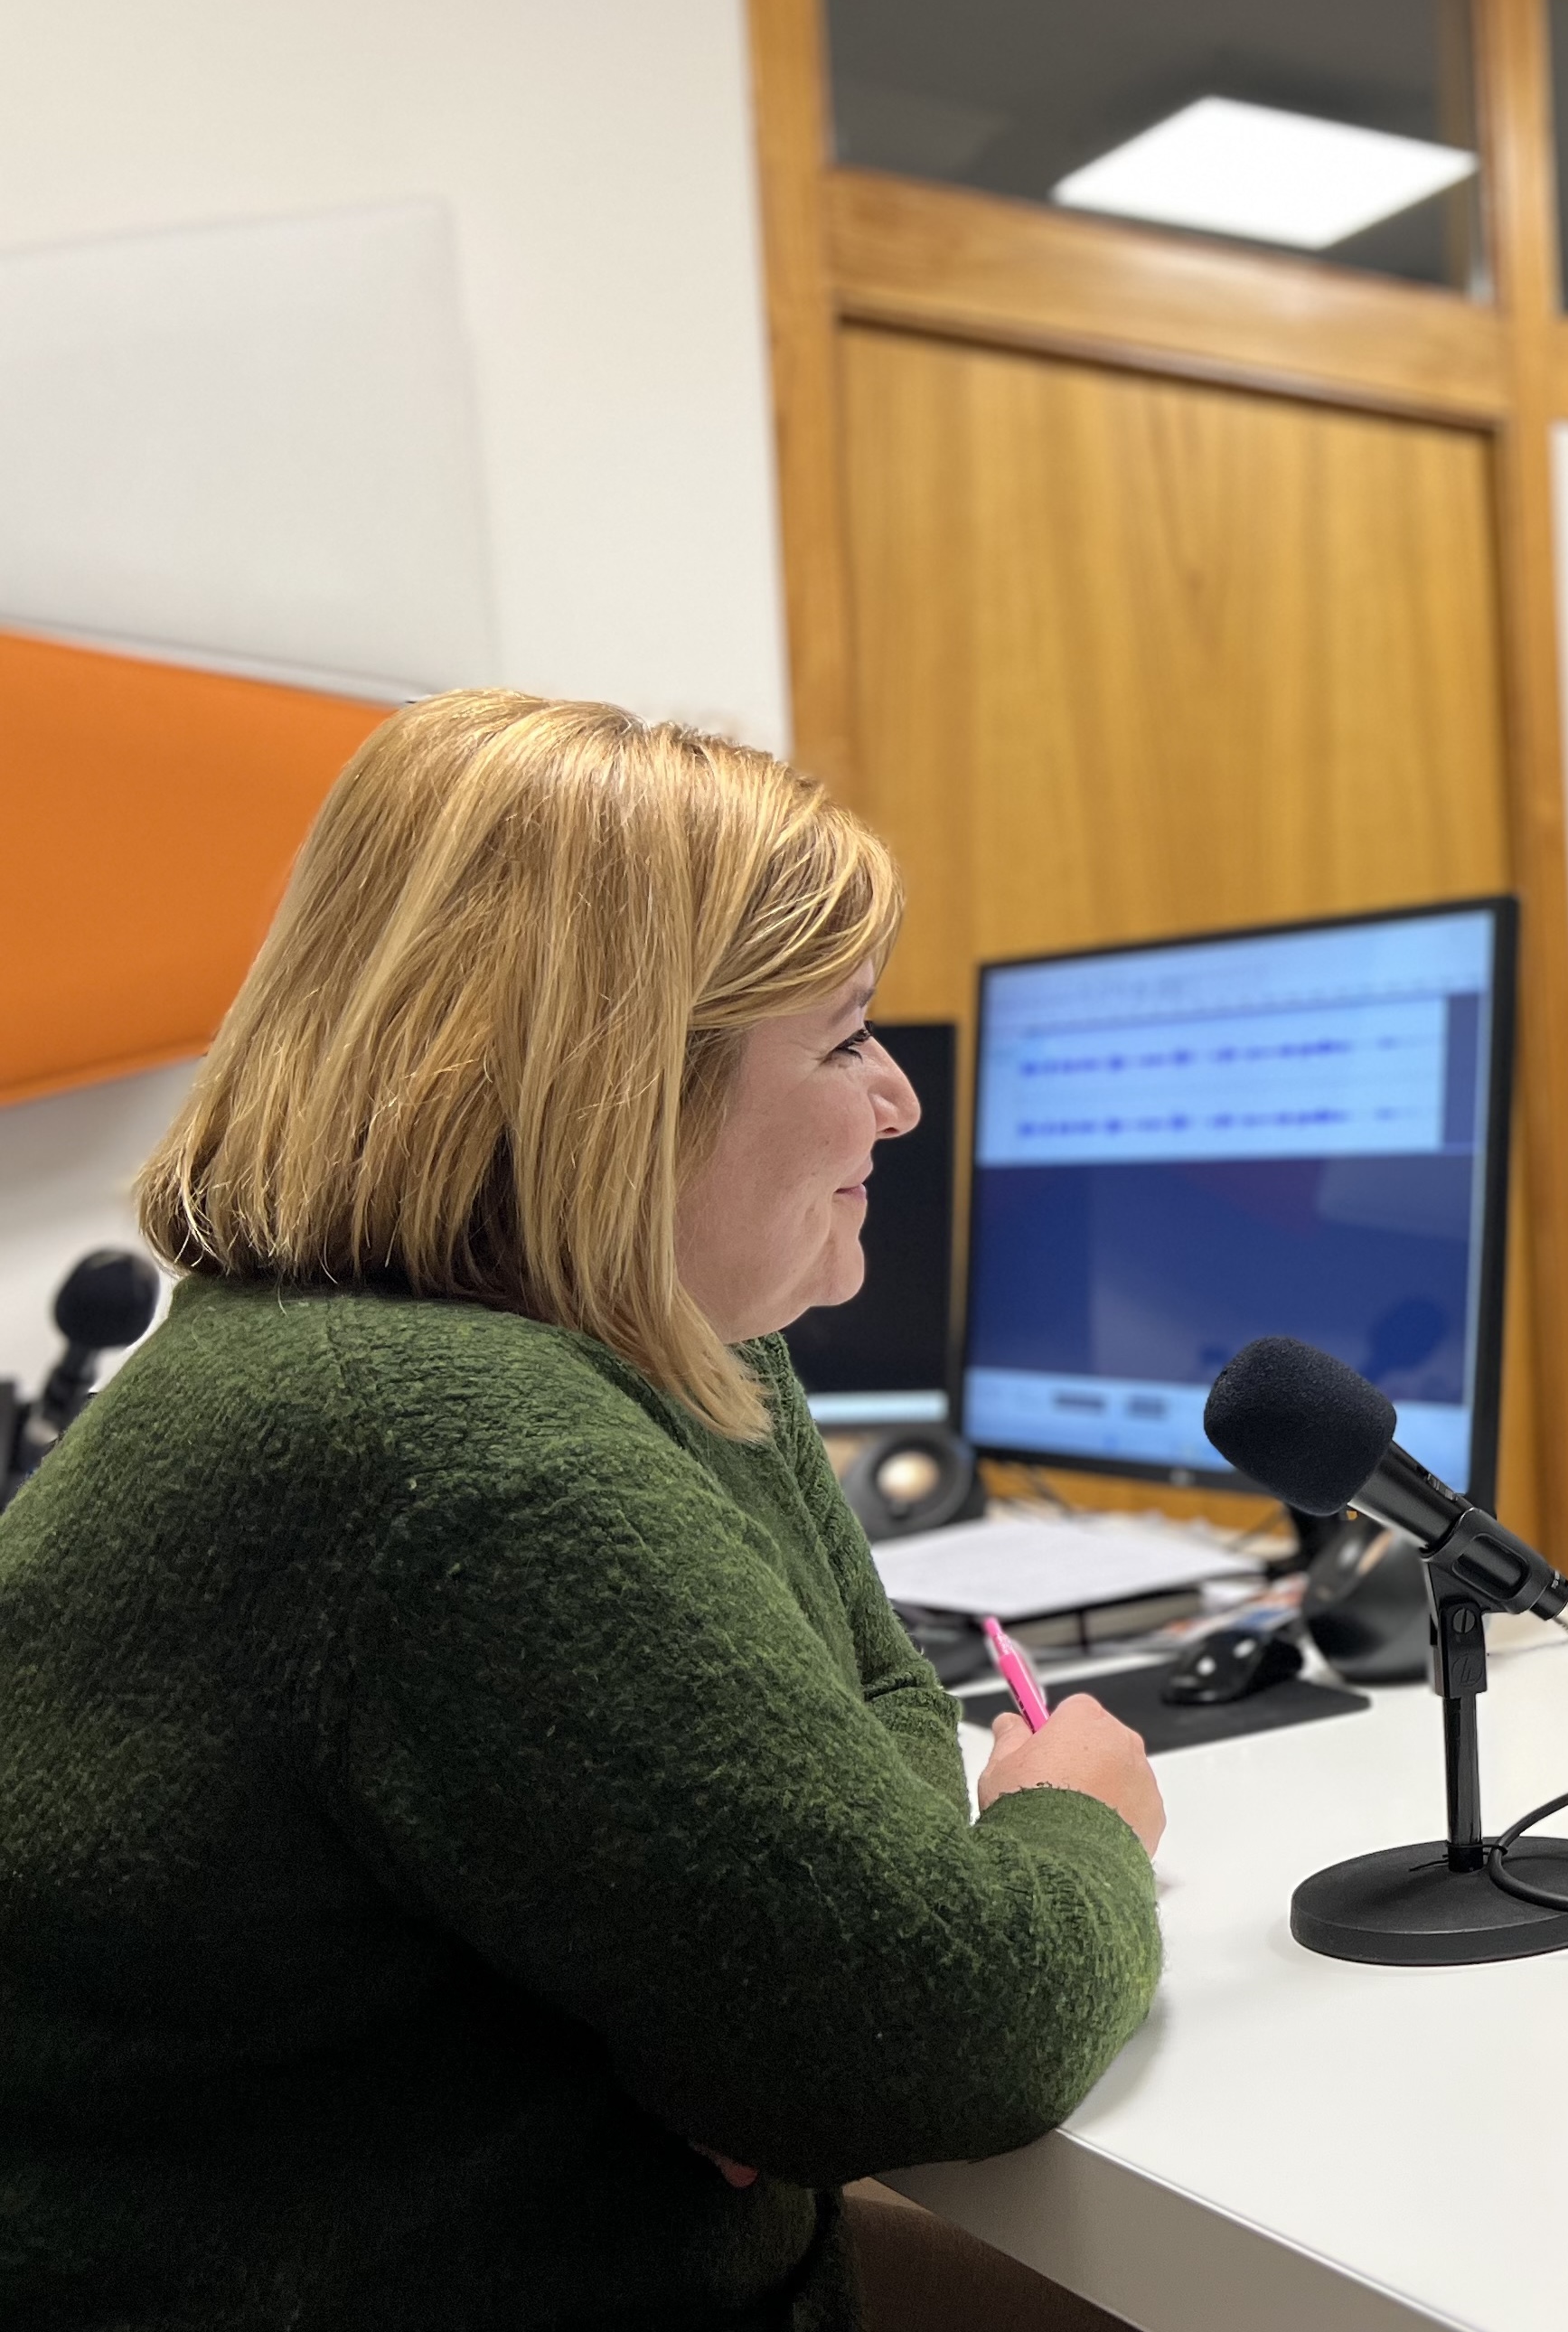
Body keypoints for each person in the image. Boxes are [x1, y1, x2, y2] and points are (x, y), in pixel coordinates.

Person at [0, 691, 1166, 2328]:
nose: (899, 1100)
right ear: (629, 1089)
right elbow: (943, 2027)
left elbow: (868, 1703)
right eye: (845, 1037)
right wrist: (1080, 1819)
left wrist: (772, 1992)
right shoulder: (449, 1455)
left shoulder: (660, 1343)